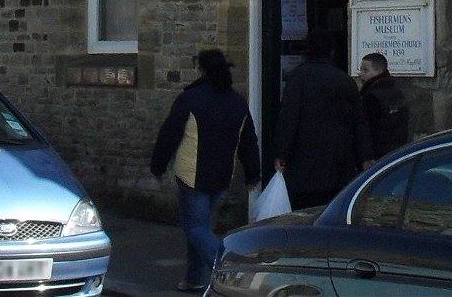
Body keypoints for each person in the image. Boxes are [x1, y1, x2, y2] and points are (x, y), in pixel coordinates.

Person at [150, 49, 261, 294]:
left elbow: (169, 134)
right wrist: (253, 174)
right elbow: (248, 142)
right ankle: (193, 279)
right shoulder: (237, 102)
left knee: (196, 228)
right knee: (200, 226)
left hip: (192, 175)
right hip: (221, 175)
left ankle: (230, 271)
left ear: (201, 70)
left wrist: (158, 165)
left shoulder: (190, 99)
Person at [272, 29, 370, 210]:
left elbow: (289, 118)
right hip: (339, 162)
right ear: (332, 52)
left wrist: (281, 152)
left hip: (305, 162)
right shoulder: (344, 80)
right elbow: (359, 122)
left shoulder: (298, 78)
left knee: (305, 214)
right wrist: (365, 156)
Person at [357, 52, 410, 162]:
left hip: (378, 155)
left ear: (379, 71)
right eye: (360, 70)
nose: (361, 74)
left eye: (366, 70)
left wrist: (367, 156)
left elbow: (368, 130)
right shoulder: (395, 89)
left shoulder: (372, 96)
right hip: (396, 151)